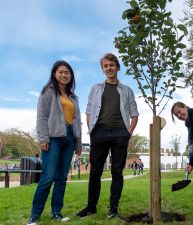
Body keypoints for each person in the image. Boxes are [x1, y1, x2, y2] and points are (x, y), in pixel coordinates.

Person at [76, 53, 139, 219]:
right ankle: (91, 207)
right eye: (105, 66)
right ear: (103, 69)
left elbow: (134, 113)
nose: (109, 68)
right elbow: (89, 110)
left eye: (111, 65)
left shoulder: (127, 90)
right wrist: (92, 129)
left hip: (120, 132)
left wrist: (128, 132)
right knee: (95, 171)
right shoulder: (95, 88)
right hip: (100, 131)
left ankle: (113, 209)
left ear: (117, 67)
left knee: (117, 172)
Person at [27, 61, 82, 225]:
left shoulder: (73, 97)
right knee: (48, 177)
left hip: (70, 137)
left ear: (71, 75)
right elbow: (42, 116)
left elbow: (77, 121)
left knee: (61, 178)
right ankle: (34, 216)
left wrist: (79, 143)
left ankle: (56, 213)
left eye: (67, 72)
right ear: (54, 74)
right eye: (61, 72)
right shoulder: (48, 92)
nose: (64, 75)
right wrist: (43, 138)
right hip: (53, 138)